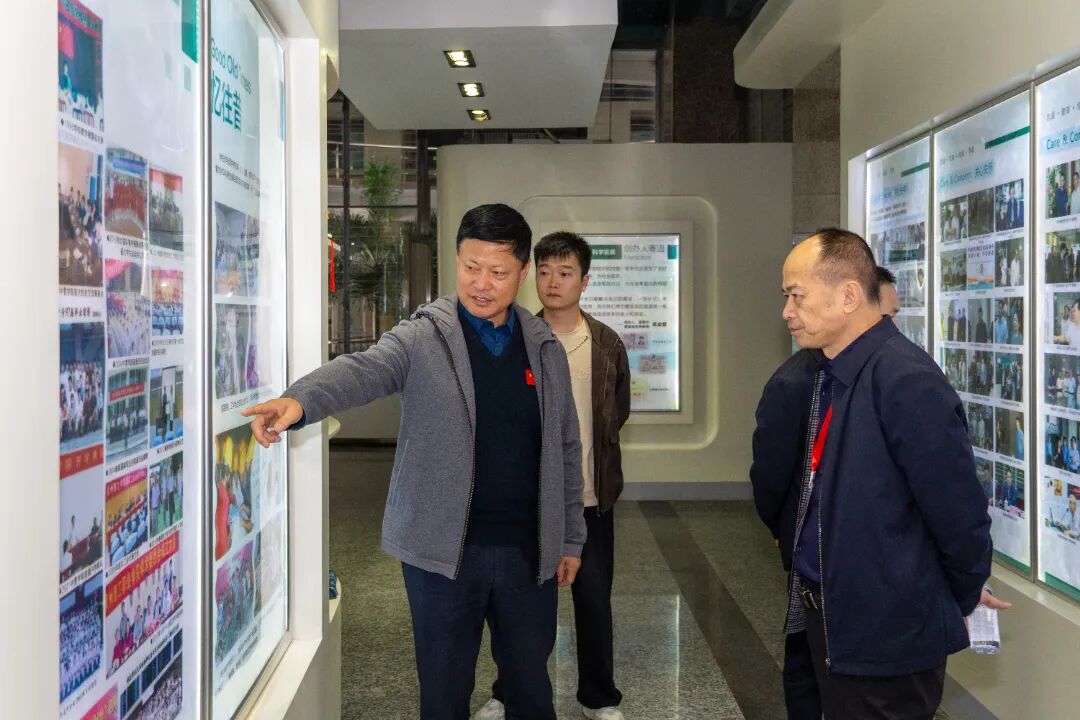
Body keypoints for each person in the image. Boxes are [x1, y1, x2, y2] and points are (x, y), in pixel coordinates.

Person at [243, 204, 585, 720]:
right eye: (470, 267)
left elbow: (566, 447)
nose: (481, 284)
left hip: (527, 551)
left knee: (531, 692)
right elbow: (365, 369)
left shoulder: (543, 348)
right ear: (456, 261)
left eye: (497, 272)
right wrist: (302, 400)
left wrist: (571, 538)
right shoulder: (424, 337)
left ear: (521, 273)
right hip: (442, 555)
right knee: (443, 694)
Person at [777, 228, 1004, 719]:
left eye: (797, 295)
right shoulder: (833, 375)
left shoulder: (906, 380)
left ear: (848, 296)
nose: (787, 311)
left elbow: (958, 515)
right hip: (836, 616)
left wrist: (956, 593)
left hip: (887, 636)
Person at [477, 232, 631, 720]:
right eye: (543, 271)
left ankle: (598, 698)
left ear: (584, 281)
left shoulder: (606, 344)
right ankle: (507, 691)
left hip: (590, 497)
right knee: (518, 607)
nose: (553, 281)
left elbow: (617, 412)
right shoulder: (516, 338)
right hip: (529, 499)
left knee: (594, 601)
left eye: (565, 273)